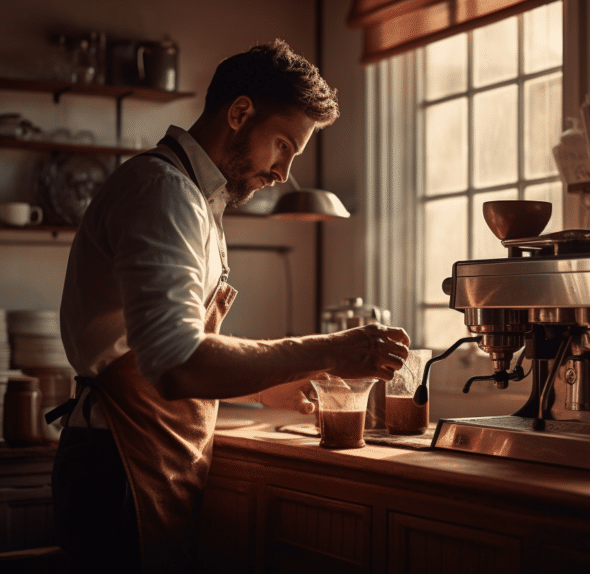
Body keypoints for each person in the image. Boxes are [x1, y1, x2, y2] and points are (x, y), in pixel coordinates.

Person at [50, 39, 410, 574]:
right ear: (240, 113)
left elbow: (164, 349)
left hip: (147, 459)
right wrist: (330, 351)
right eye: (284, 145)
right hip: (118, 466)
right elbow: (176, 365)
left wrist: (262, 387)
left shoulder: (193, 199)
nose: (284, 172)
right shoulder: (163, 193)